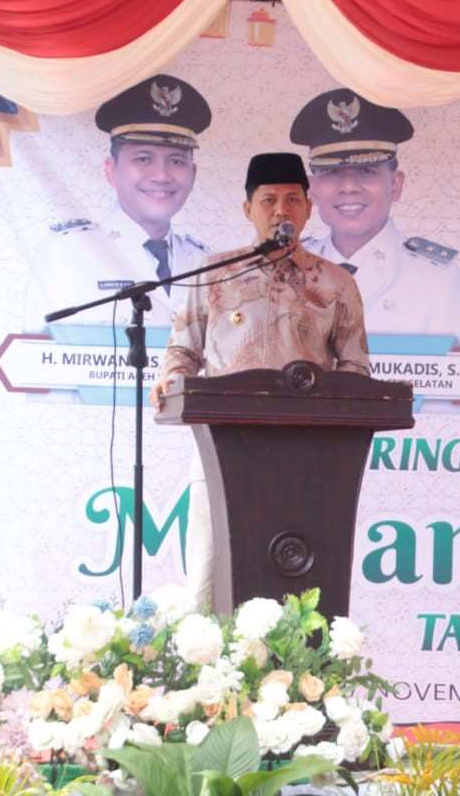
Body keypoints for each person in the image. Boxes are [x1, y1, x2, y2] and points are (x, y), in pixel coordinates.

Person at [150, 152, 370, 607]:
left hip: (307, 457)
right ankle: (207, 656)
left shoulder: (336, 284)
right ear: (247, 209)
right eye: (268, 200)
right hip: (222, 449)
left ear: (309, 209)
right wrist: (172, 377)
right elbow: (183, 351)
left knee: (299, 581)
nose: (281, 210)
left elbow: (355, 368)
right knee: (209, 581)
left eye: (292, 199)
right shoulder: (212, 276)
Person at [289, 88, 460, 348]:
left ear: (395, 185)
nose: (349, 187)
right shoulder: (286, 272)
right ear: (312, 189)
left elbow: (457, 374)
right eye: (332, 173)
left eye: (366, 171)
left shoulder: (439, 281)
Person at [24, 74, 213, 331]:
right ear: (111, 170)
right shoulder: (66, 253)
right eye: (143, 159)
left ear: (194, 174)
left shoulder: (205, 262)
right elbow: (39, 349)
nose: (161, 176)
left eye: (177, 161)